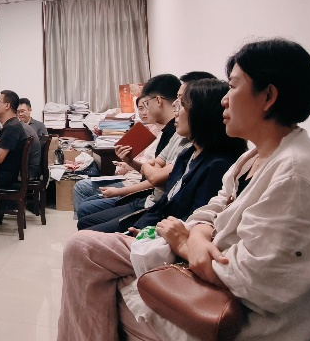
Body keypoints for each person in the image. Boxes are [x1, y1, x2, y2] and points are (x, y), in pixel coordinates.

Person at [42, 39, 310, 341]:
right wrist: (196, 236)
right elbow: (210, 209)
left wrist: (188, 244)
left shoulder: (298, 175)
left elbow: (251, 283)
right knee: (84, 257)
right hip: (206, 280)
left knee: (94, 288)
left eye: (233, 86)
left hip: (246, 333)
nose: (224, 99)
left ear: (268, 97)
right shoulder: (255, 158)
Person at [78, 78, 247, 233]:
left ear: (202, 113)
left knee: (84, 232)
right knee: (85, 226)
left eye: (182, 104)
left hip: (161, 227)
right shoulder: (188, 152)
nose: (175, 110)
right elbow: (166, 197)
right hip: (155, 217)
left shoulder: (216, 164)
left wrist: (145, 233)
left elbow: (188, 220)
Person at [0, 89, 40, 190]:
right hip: (7, 175)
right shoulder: (14, 124)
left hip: (4, 178)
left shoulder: (11, 127)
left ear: (7, 106)